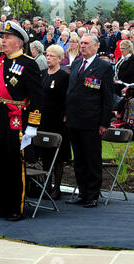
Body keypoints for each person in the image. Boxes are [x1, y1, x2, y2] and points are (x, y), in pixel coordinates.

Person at [0, 21, 43, 221]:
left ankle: (15, 207)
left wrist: (33, 125)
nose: (2, 41)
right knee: (0, 163)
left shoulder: (28, 64)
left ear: (19, 42)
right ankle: (1, 205)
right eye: (2, 37)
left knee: (14, 163)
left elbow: (37, 97)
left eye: (7, 38)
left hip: (17, 118)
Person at [65, 34, 114, 208]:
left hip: (91, 120)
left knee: (91, 159)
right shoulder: (77, 63)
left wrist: (104, 123)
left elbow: (107, 97)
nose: (83, 46)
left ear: (95, 46)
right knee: (78, 159)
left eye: (86, 43)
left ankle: (93, 194)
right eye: (81, 43)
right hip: (73, 119)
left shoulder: (104, 67)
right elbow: (71, 91)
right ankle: (82, 192)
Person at [38, 45, 71, 199]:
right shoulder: (43, 74)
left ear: (59, 58)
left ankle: (57, 187)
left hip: (57, 120)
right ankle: (46, 185)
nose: (48, 58)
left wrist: (65, 114)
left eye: (51, 56)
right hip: (43, 119)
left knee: (57, 156)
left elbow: (67, 98)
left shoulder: (63, 76)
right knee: (45, 154)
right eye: (47, 55)